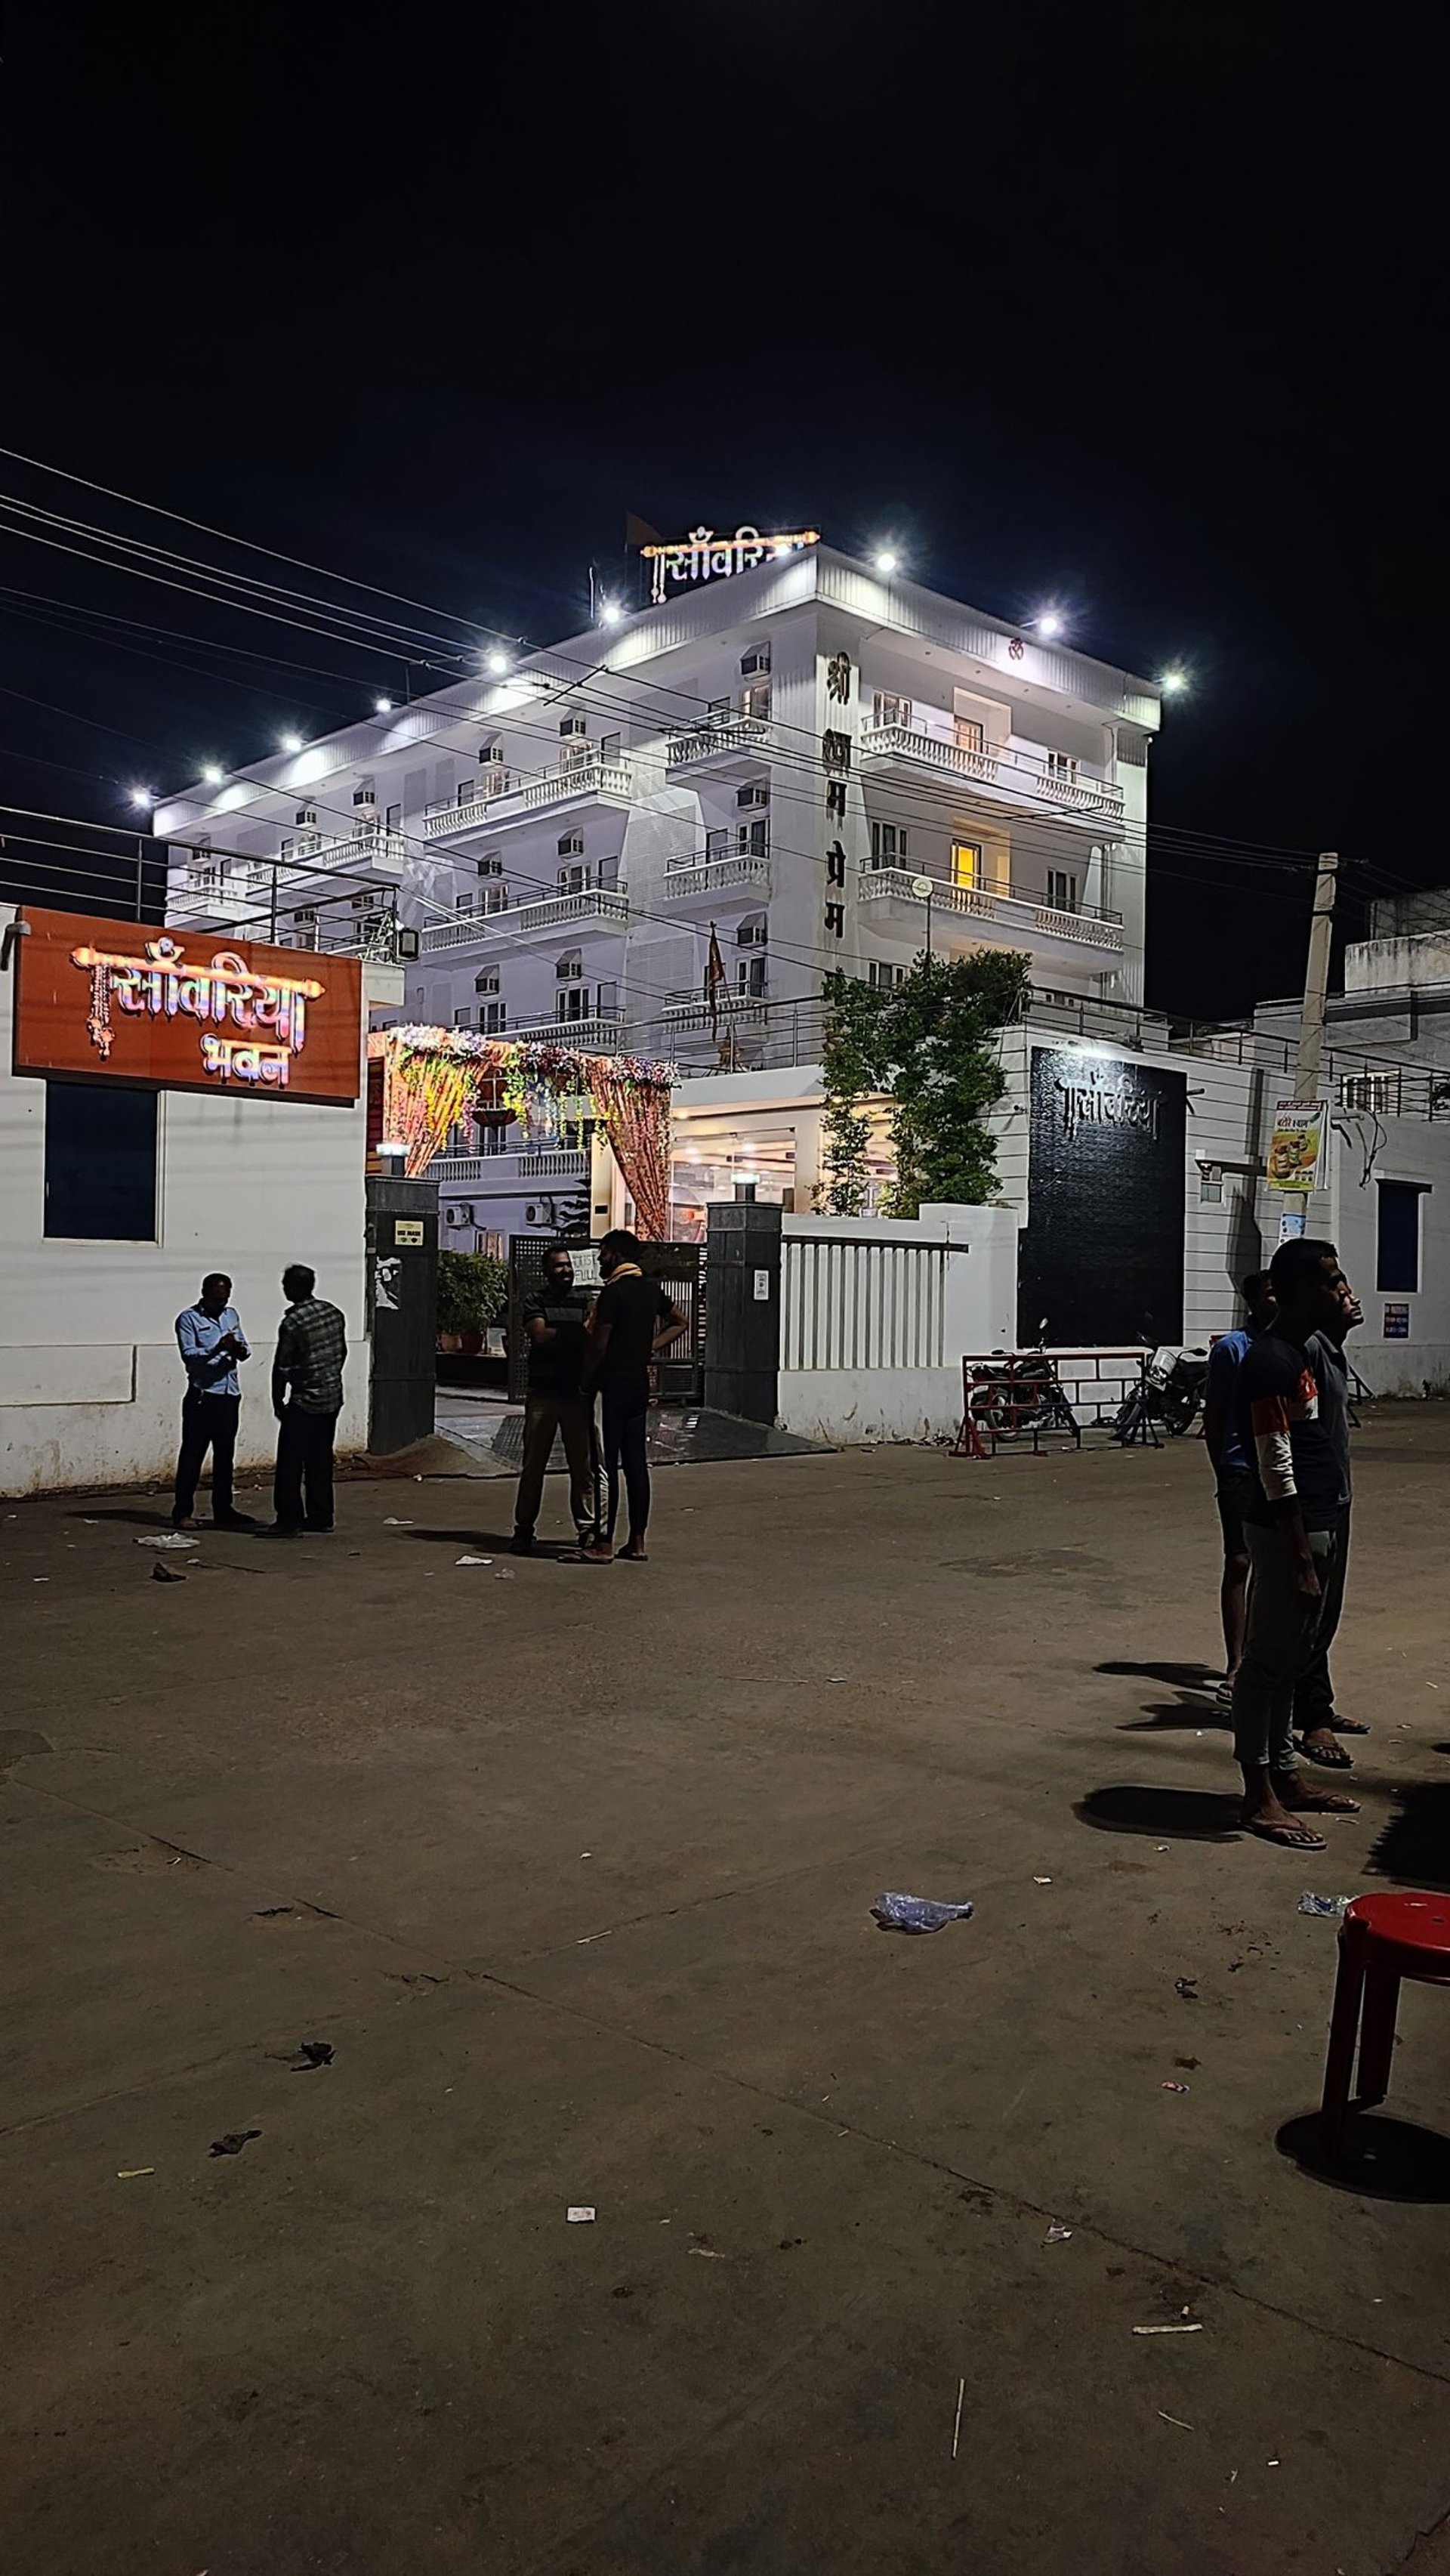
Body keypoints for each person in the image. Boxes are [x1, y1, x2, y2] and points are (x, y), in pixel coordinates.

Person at [1230, 1237, 1362, 1851]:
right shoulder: (1269, 1360)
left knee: (1289, 1658)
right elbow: (1274, 1468)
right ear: (1296, 1289)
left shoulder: (1303, 1352)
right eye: (1327, 1280)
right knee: (1265, 1664)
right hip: (1291, 1529)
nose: (1337, 1289)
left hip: (1318, 1522)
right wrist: (1303, 1561)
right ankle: (1258, 1795)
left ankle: (1284, 1775)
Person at [1295, 1277, 1368, 1768]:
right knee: (1306, 1615)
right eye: (1340, 1289)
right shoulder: (1308, 1351)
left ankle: (1317, 1706)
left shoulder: (1333, 1351)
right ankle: (1309, 1722)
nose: (1352, 1297)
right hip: (1312, 1506)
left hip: (1335, 1501)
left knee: (1324, 1616)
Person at [582, 1229, 686, 1561]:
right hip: (637, 1385)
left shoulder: (614, 1293)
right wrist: (648, 1348)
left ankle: (603, 1543)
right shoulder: (650, 1291)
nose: (600, 1258)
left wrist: (585, 1382)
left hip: (609, 1385)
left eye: (603, 1252)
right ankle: (637, 1541)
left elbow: (599, 1343)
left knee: (604, 1465)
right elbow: (681, 1321)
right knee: (636, 1465)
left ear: (615, 1254)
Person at [1202, 1270, 1277, 1701]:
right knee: (1240, 1561)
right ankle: (1236, 1663)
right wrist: (1224, 1468)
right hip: (1240, 1466)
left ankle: (1265, 1656)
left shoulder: (1292, 1345)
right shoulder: (1233, 1350)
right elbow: (1215, 1415)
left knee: (1279, 1566)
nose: (1276, 1302)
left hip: (1280, 1467)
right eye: (1269, 1295)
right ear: (1252, 1303)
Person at [511, 1246, 608, 1559]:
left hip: (577, 1394)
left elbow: (594, 1335)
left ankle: (586, 1529)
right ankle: (523, 1530)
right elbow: (538, 1335)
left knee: (583, 1468)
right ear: (546, 1271)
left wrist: (569, 1333)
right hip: (543, 1394)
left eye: (568, 1265)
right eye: (558, 1266)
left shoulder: (585, 1301)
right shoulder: (535, 1300)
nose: (565, 1271)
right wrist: (579, 1334)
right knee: (533, 1467)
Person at [261, 1265, 348, 1537]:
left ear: (296, 1287)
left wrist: (278, 1401)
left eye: (286, 1285)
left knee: (290, 1462)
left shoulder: (293, 1323)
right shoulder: (334, 1313)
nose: (284, 1289)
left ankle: (289, 1519)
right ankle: (322, 1515)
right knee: (320, 1460)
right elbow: (341, 1352)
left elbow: (282, 1366)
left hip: (305, 1400)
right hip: (332, 1397)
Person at [172, 1272, 255, 1530]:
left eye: (225, 1298)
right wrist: (217, 1347)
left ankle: (224, 1509)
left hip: (229, 1395)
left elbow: (245, 1349)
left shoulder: (231, 1315)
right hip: (203, 1396)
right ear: (205, 1294)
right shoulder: (189, 1319)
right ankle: (183, 1511)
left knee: (225, 1456)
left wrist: (238, 1349)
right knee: (193, 1455)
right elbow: (190, 1356)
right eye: (217, 1298)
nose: (222, 1303)